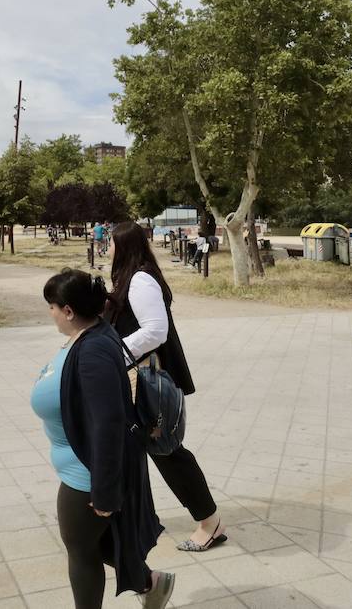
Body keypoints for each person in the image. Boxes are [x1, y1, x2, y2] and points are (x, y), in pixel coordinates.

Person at [33, 269, 174, 608]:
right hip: (85, 467)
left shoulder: (94, 349)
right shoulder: (95, 333)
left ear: (67, 311)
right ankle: (150, 583)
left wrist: (105, 491)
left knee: (81, 553)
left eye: (51, 306)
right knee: (97, 544)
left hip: (86, 474)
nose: (49, 313)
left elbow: (108, 423)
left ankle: (149, 583)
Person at [107, 221, 228, 552]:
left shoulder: (140, 280)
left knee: (169, 453)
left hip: (147, 383)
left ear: (124, 245)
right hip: (135, 381)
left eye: (111, 241)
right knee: (138, 452)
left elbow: (156, 331)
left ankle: (210, 522)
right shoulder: (129, 278)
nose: (107, 246)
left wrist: (114, 352)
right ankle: (128, 518)